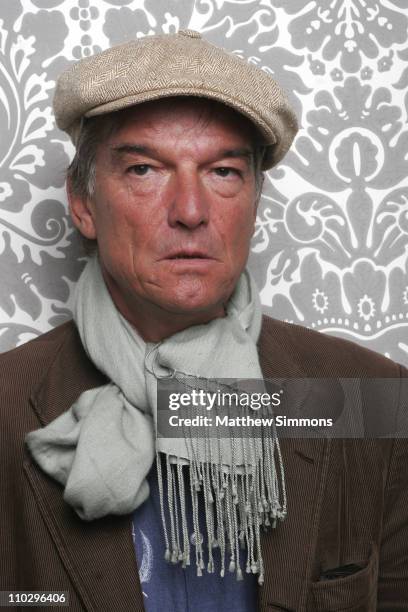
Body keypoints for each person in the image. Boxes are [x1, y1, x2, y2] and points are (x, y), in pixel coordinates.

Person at [0, 30, 407, 612]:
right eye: (145, 169)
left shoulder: (374, 398)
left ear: (256, 201)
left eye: (222, 172)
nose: (190, 211)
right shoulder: (7, 403)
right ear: (83, 203)